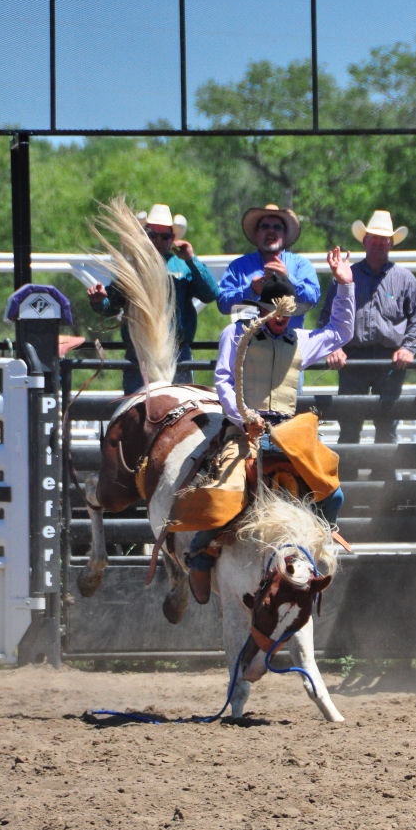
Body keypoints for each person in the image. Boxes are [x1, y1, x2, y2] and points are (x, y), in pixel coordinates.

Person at [187, 248, 354, 605]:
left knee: (333, 492)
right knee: (225, 491)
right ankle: (199, 556)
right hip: (244, 429)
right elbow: (224, 381)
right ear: (262, 310)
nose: (282, 322)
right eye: (277, 315)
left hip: (288, 433)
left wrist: (345, 286)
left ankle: (321, 540)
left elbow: (340, 331)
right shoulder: (236, 334)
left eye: (287, 316)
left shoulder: (299, 340)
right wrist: (243, 416)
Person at [319, 209, 416, 455]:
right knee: (349, 424)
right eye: (374, 238)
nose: (378, 243)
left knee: (387, 424)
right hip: (352, 359)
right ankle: (349, 475)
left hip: (391, 361)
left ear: (391, 243)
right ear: (365, 241)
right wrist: (334, 347)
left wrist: (408, 348)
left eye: (384, 239)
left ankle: (385, 476)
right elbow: (327, 316)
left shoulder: (405, 279)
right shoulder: (346, 276)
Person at [87, 203, 219, 394]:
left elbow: (210, 294)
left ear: (172, 239)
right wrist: (99, 301)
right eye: (152, 235)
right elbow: (112, 305)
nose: (158, 241)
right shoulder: (132, 268)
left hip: (176, 352)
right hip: (140, 351)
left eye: (164, 236)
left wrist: (191, 259)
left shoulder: (183, 265)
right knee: (139, 406)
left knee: (181, 405)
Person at [217, 203, 320, 330]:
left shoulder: (301, 264)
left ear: (285, 234)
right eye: (265, 227)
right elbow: (223, 304)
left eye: (277, 227)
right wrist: (251, 291)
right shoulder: (238, 267)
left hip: (291, 339)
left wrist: (288, 279)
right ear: (256, 233)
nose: (271, 231)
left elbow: (313, 299)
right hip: (248, 339)